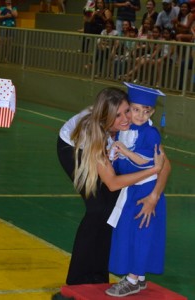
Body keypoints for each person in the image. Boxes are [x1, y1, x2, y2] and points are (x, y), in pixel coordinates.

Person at [56, 87, 170, 286]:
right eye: (117, 116)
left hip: (107, 152)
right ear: (106, 117)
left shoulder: (141, 124)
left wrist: (154, 197)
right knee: (97, 208)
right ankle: (78, 278)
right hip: (75, 148)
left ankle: (99, 276)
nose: (125, 119)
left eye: (127, 110)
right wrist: (151, 171)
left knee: (112, 211)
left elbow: (165, 165)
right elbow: (112, 183)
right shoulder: (94, 132)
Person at [106, 83, 168, 297]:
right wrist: (113, 158)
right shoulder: (124, 130)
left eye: (146, 110)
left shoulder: (150, 133)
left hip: (145, 189)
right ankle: (139, 278)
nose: (140, 115)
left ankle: (133, 279)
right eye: (135, 109)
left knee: (142, 232)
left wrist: (122, 151)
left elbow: (146, 162)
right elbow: (120, 165)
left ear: (152, 112)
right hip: (130, 189)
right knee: (129, 232)